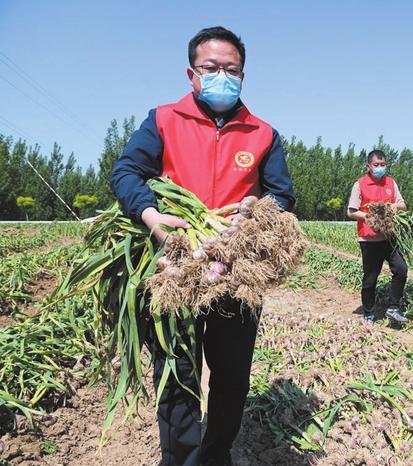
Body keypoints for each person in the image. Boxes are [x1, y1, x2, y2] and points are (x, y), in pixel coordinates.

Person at [110, 26, 295, 466]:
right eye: (211, 68)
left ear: (243, 76)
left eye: (231, 70)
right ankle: (181, 459)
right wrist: (152, 216)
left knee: (232, 378)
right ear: (192, 73)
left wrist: (254, 214)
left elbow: (282, 196)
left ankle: (216, 455)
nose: (221, 76)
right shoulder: (162, 120)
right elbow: (126, 174)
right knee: (177, 373)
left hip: (234, 272)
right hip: (176, 266)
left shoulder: (263, 134)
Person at [346, 150, 409, 323]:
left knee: (401, 269)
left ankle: (393, 307)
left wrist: (393, 207)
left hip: (388, 237)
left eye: (383, 165)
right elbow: (351, 211)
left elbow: (403, 204)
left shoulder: (391, 183)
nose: (380, 168)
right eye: (376, 165)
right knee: (370, 278)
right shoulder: (360, 184)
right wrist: (370, 216)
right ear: (368, 166)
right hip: (369, 240)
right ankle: (369, 313)